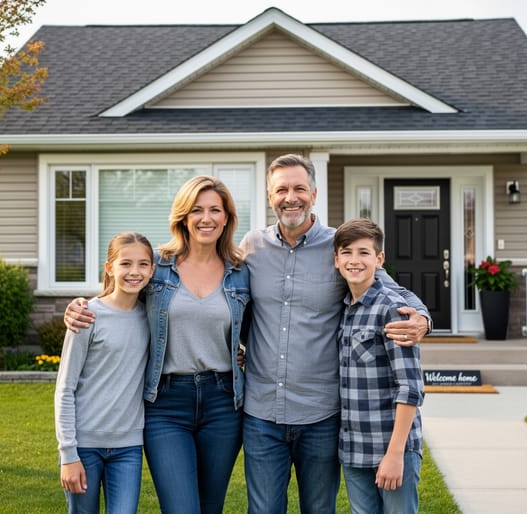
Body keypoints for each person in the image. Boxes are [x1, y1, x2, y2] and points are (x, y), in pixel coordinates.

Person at [239, 154, 431, 514]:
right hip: (262, 413)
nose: (290, 197)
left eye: (299, 188)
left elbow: (394, 291)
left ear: (314, 192)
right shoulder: (252, 247)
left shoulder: (339, 247)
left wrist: (422, 318)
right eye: (281, 189)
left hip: (321, 416)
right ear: (269, 196)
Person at [64, 176, 249, 514]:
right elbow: (118, 295)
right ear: (183, 216)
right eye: (196, 210)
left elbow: (256, 328)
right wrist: (80, 306)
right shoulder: (159, 266)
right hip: (166, 404)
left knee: (210, 507)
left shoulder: (240, 271)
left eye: (214, 210)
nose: (206, 218)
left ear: (226, 218)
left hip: (223, 402)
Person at [55, 231, 154, 514]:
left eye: (143, 264)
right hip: (84, 446)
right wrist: (68, 454)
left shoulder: (152, 318)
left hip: (129, 447)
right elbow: (65, 388)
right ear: (110, 268)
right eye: (125, 264)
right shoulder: (87, 316)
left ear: (152, 269)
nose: (134, 272)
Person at [333, 218, 424, 514]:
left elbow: (410, 388)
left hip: (391, 448)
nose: (354, 260)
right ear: (336, 260)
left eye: (364, 252)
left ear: (379, 259)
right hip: (354, 448)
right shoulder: (344, 309)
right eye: (346, 252)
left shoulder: (392, 309)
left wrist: (395, 454)